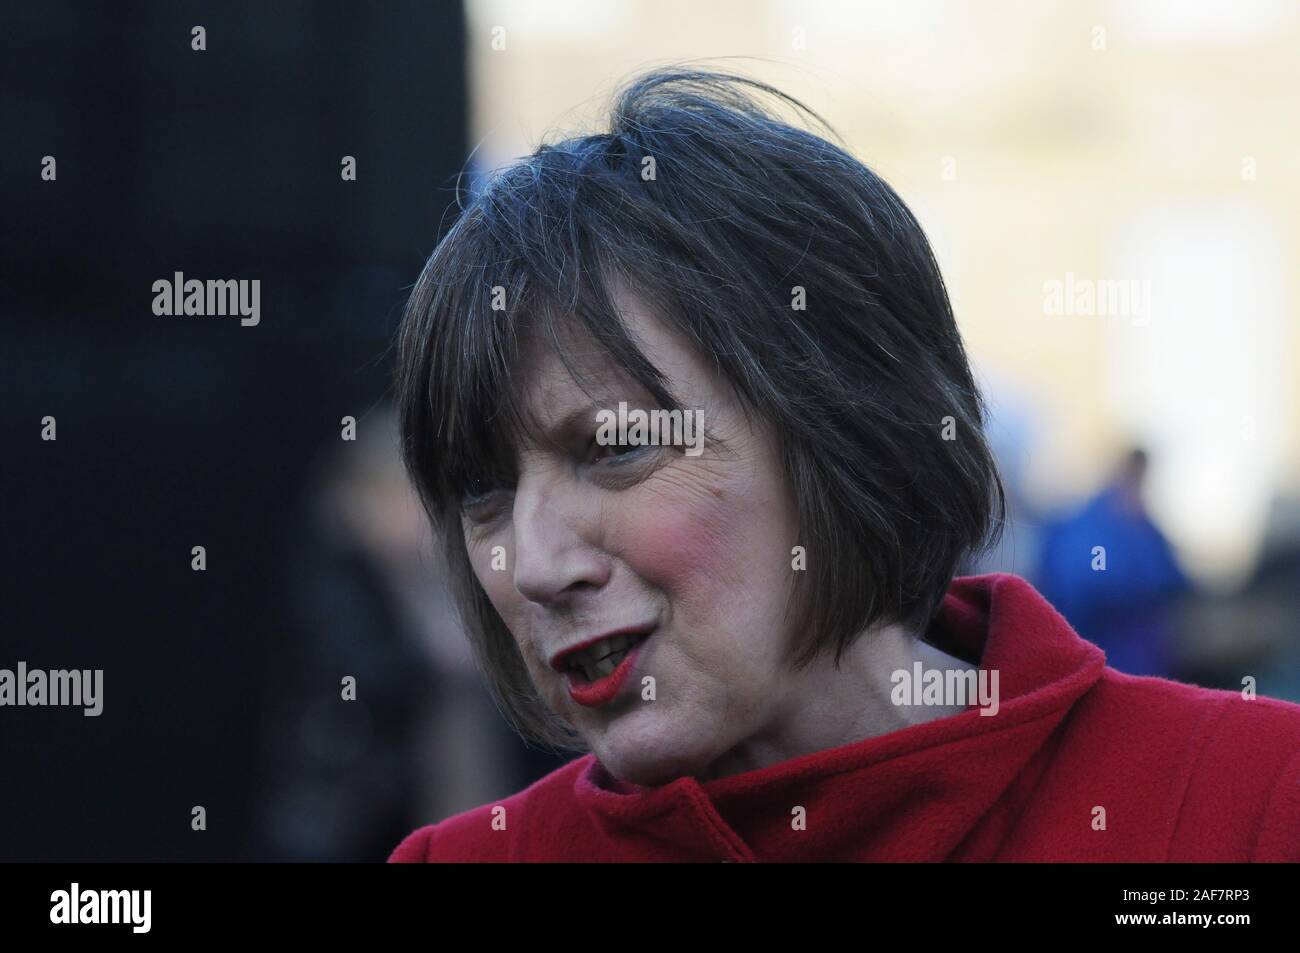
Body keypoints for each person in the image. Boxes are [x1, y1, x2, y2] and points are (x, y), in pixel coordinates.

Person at [387, 69, 1300, 861]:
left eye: (616, 446)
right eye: (484, 493)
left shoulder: (1253, 805)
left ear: (848, 424)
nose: (536, 564)